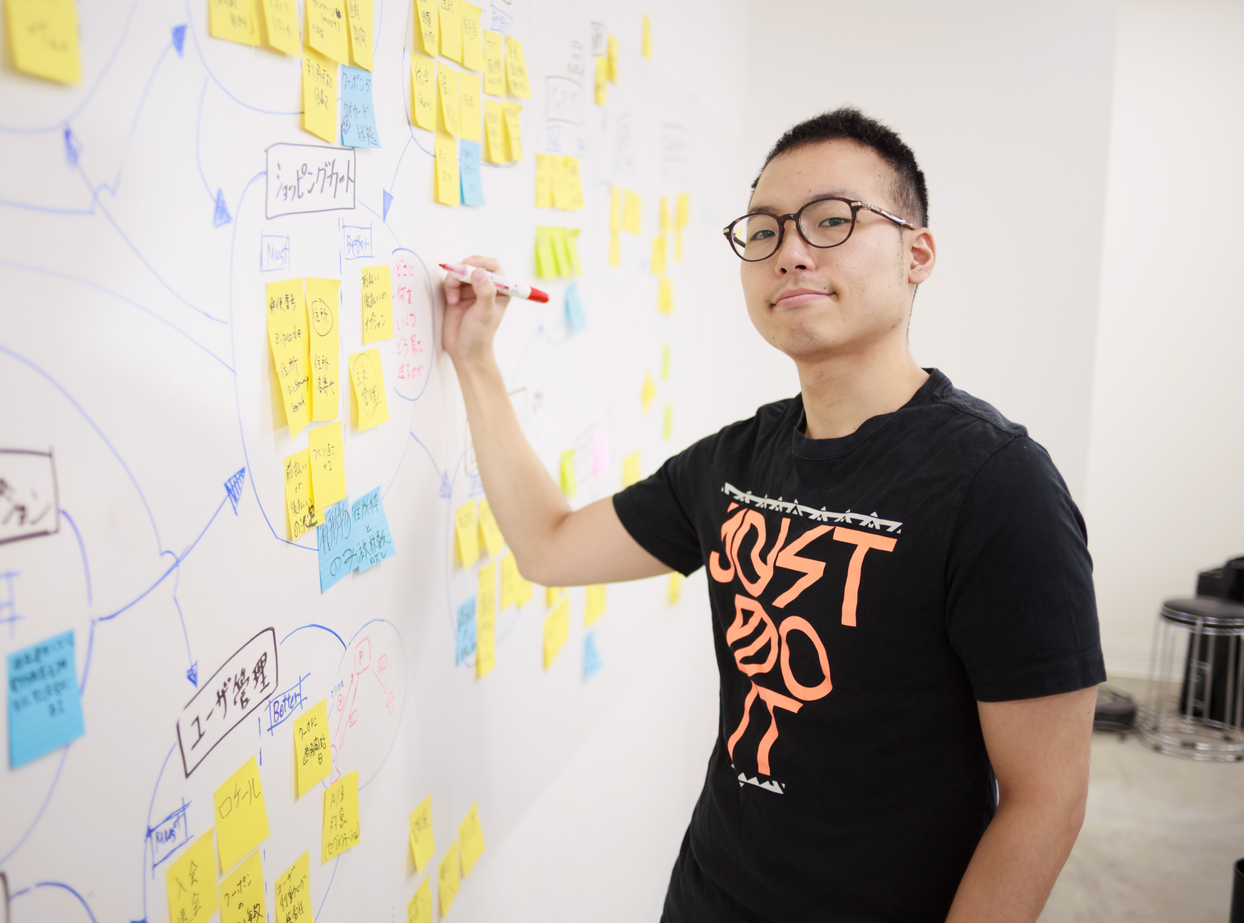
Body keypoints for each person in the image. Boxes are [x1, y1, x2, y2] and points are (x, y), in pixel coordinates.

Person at [440, 107, 1104, 923]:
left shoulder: (998, 486)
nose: (790, 251)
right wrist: (475, 359)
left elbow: (1046, 799)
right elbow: (549, 548)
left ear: (917, 255)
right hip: (707, 897)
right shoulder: (736, 462)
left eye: (832, 220)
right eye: (763, 230)